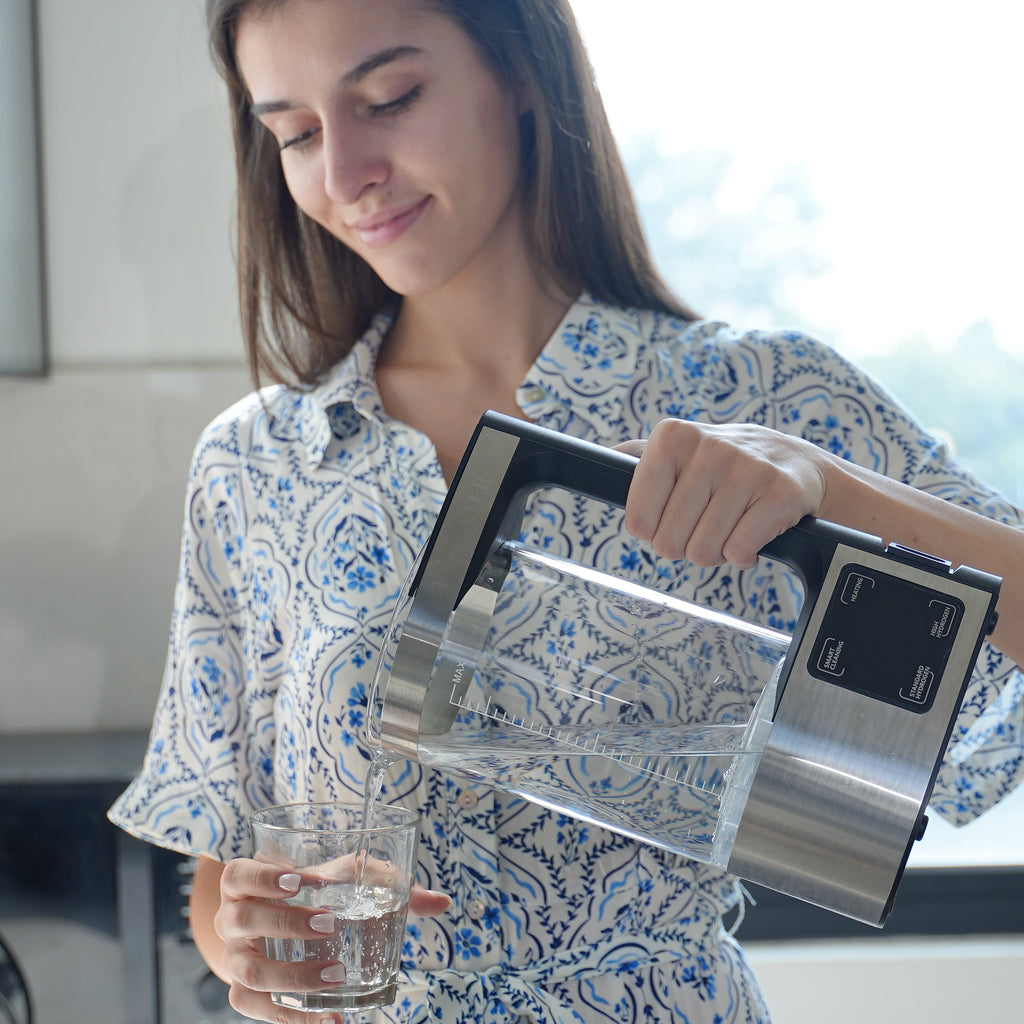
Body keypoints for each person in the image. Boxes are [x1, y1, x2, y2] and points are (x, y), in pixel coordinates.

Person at [109, 1, 1024, 1022]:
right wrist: (248, 940)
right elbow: (222, 866)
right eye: (298, 132)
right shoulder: (257, 463)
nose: (346, 171)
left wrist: (832, 487)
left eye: (391, 98)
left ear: (521, 70)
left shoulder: (759, 398)